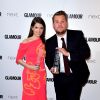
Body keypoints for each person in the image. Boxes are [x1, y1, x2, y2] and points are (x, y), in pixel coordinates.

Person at [45, 10, 91, 100]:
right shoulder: (49, 42)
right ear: (53, 25)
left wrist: (68, 54)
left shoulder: (77, 35)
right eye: (57, 22)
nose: (60, 24)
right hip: (59, 78)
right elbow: (48, 59)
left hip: (75, 77)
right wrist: (51, 67)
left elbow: (86, 53)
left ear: (67, 23)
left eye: (62, 21)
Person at [16, 17, 47, 100]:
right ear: (32, 28)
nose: (39, 30)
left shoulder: (44, 42)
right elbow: (18, 59)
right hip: (29, 74)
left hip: (41, 75)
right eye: (36, 27)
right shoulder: (26, 42)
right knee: (30, 96)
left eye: (41, 28)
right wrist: (30, 67)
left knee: (41, 96)